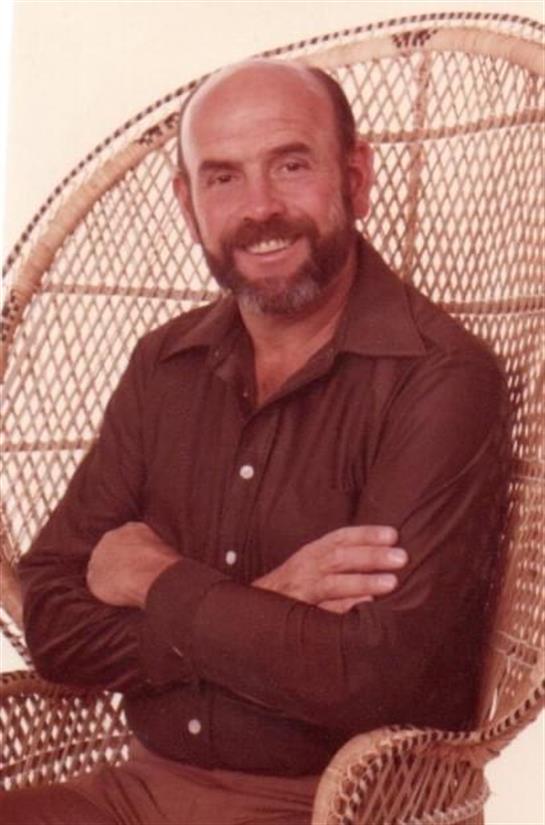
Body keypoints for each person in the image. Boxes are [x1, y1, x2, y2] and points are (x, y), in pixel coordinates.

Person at [1, 59, 509, 824]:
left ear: (355, 177)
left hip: (331, 807)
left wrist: (159, 579)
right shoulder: (163, 364)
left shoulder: (438, 377)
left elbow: (370, 675)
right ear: (187, 204)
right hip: (131, 791)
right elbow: (52, 622)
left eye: (291, 165)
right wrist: (266, 601)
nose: (260, 207)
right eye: (222, 177)